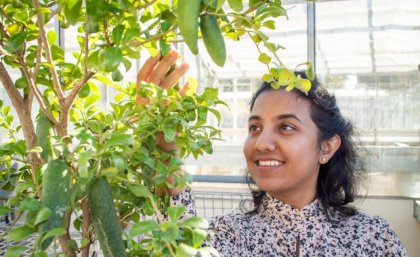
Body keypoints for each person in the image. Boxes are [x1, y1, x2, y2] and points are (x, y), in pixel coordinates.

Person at [136, 51, 408, 256]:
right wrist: (163, 143)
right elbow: (181, 232)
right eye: (255, 127)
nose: (261, 142)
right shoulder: (226, 237)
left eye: (286, 127)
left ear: (327, 147)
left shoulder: (373, 238)